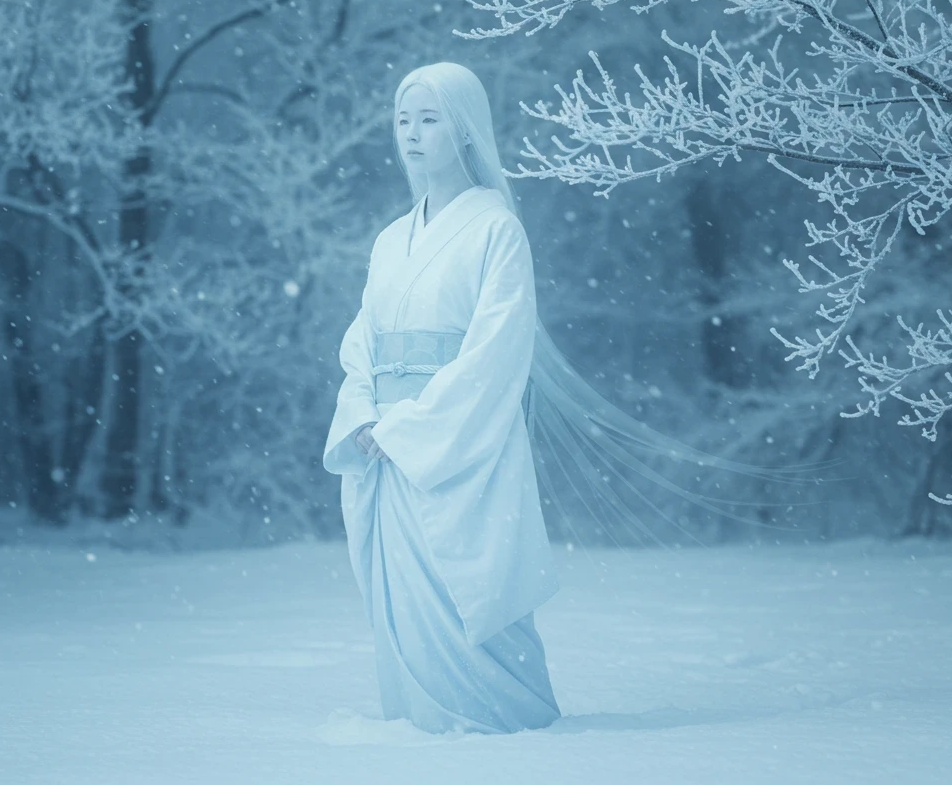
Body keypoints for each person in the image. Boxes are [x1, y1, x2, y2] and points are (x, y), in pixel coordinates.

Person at [322, 62, 822, 735]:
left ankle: (495, 723)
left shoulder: (495, 230)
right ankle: (420, 726)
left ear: (465, 129)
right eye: (403, 118)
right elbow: (363, 344)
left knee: (466, 586)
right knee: (408, 609)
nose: (411, 134)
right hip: (385, 446)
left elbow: (496, 352)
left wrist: (415, 428)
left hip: (450, 446)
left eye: (430, 118)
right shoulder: (389, 242)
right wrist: (364, 417)